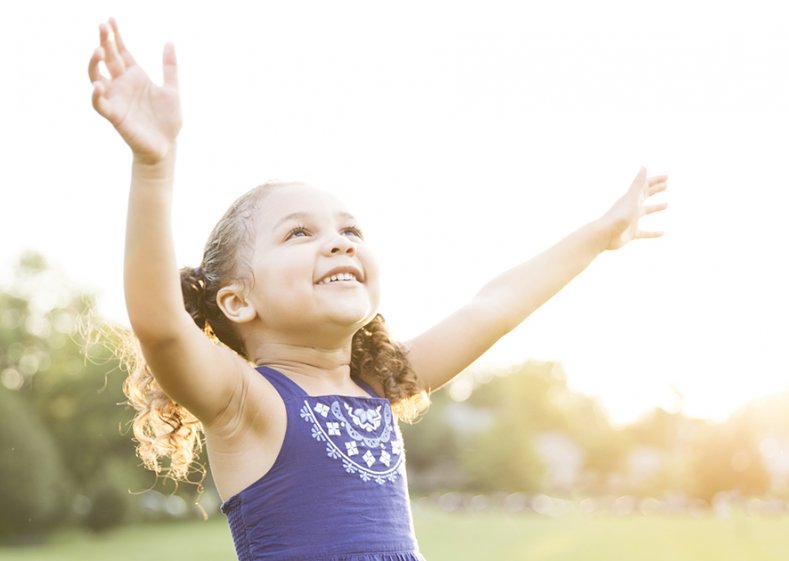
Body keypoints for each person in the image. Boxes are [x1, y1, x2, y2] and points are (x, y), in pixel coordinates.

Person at [88, 17, 668, 561]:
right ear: (239, 301)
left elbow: (494, 306)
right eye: (299, 233)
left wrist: (599, 235)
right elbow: (161, 325)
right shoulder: (247, 402)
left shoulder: (381, 386)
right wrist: (154, 165)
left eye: (349, 230)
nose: (339, 242)